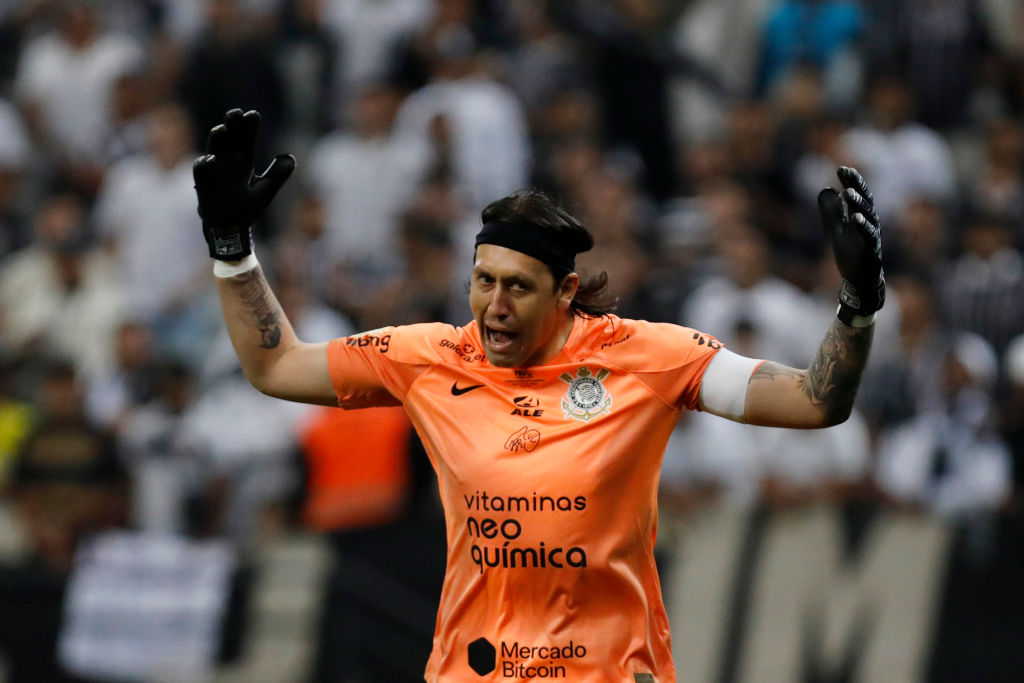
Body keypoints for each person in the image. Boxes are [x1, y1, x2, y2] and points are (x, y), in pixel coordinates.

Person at [192, 108, 885, 682]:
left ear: (565, 293)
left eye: (517, 287)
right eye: (482, 280)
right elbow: (276, 366)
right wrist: (232, 247)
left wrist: (854, 307)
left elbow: (814, 401)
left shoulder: (647, 357)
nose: (493, 305)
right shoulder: (430, 358)